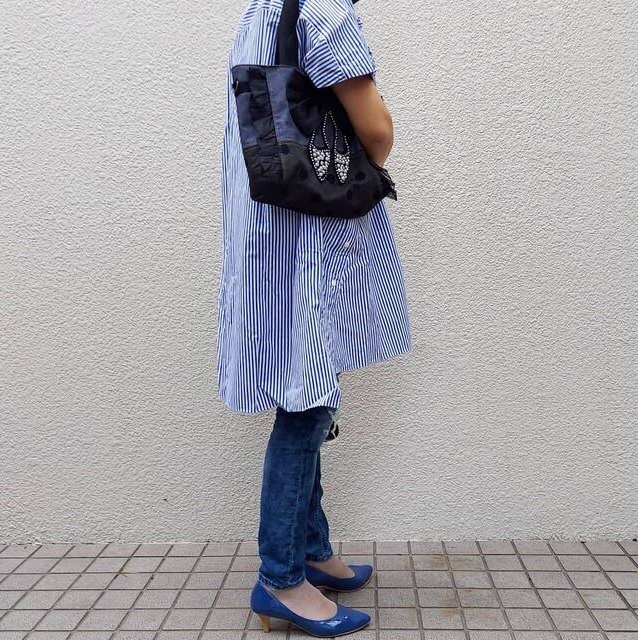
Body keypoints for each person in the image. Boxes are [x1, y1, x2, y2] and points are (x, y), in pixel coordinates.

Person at [217, 0, 412, 635]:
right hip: (306, 234)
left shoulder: (263, 9)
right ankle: (281, 578)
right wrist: (374, 154)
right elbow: (375, 130)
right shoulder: (328, 12)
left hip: (267, 231)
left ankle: (311, 549)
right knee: (305, 405)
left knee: (308, 393)